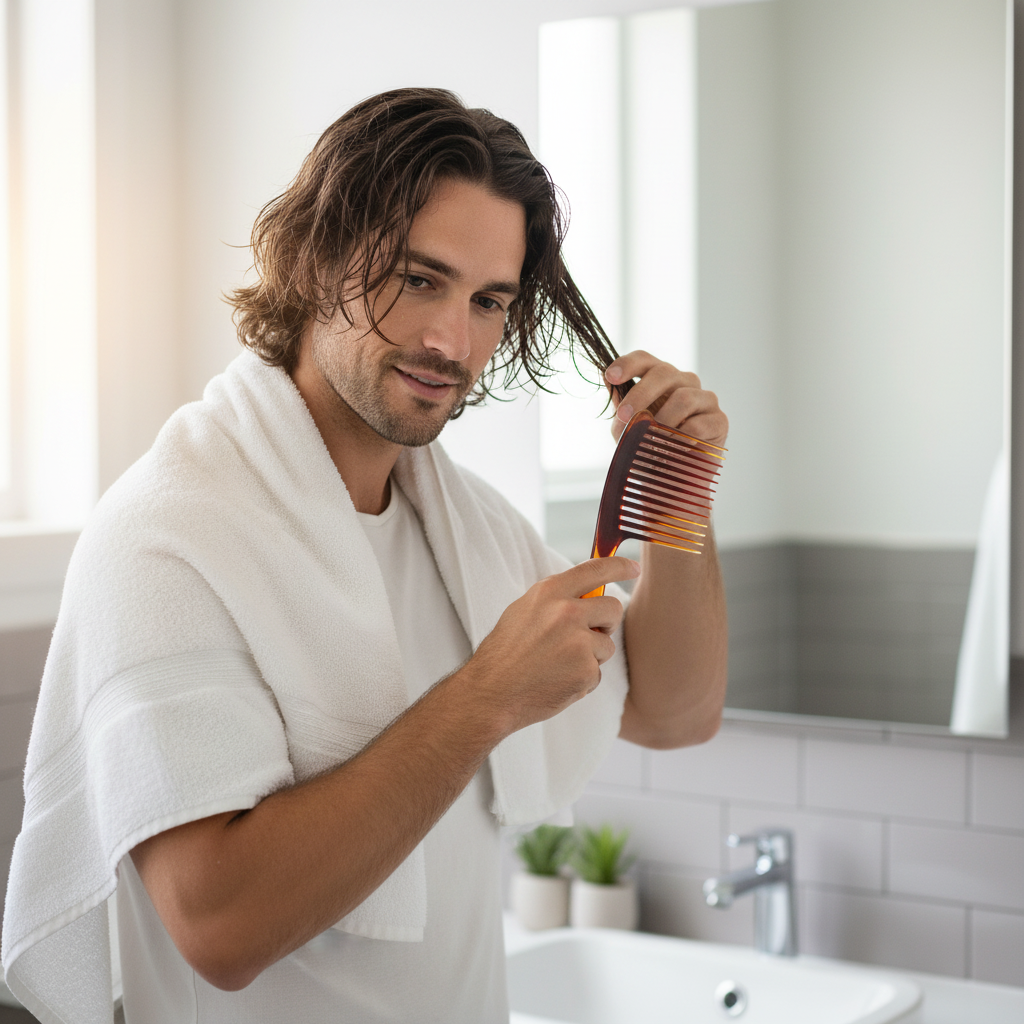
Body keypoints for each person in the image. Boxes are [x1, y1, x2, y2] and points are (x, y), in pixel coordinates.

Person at [2, 88, 728, 1023]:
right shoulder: (168, 537)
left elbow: (675, 714)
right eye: (418, 280)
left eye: (486, 301)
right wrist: (484, 699)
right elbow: (219, 928)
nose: (450, 341)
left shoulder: (469, 532)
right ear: (316, 258)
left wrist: (681, 490)